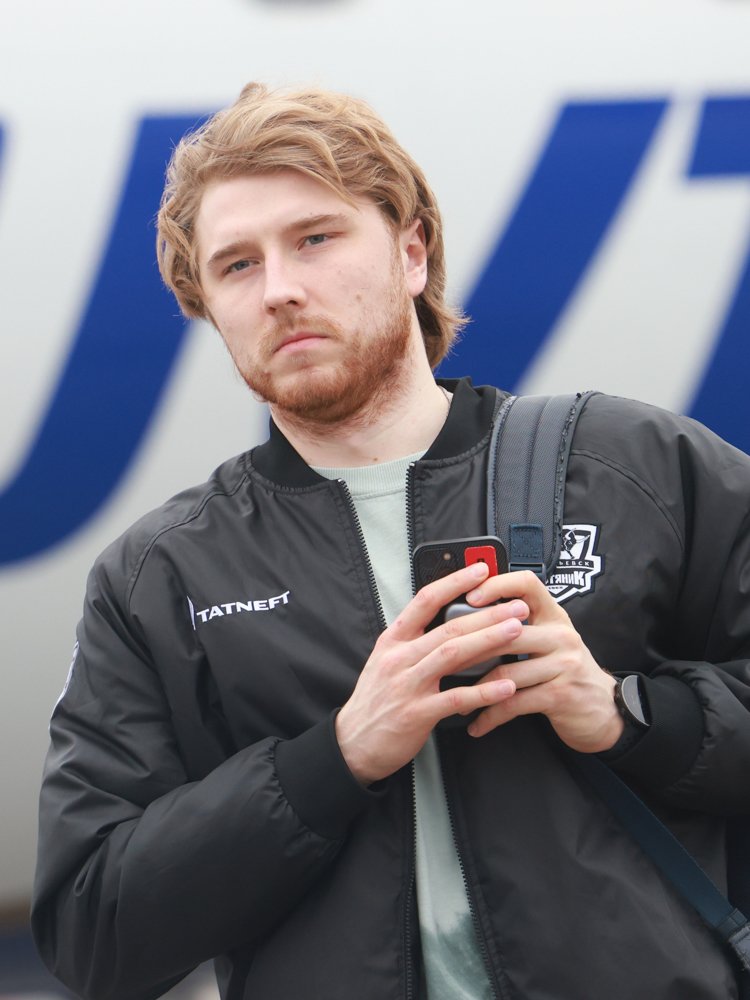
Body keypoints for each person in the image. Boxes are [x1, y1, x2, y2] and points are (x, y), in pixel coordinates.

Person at [32, 82, 750, 1000]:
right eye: (237, 265)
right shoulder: (161, 575)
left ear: (412, 252)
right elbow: (90, 926)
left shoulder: (633, 466)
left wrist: (625, 716)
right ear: (207, 305)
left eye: (315, 239)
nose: (281, 289)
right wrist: (333, 760)